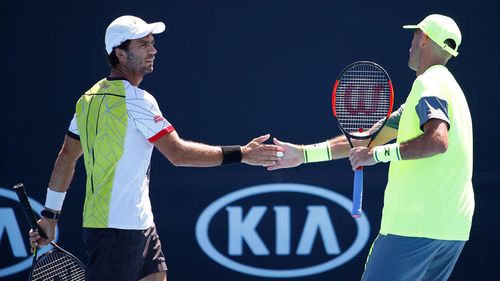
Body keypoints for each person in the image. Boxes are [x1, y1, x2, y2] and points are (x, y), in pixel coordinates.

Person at [29, 15, 284, 281]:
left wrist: (50, 215)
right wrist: (242, 154)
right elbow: (179, 154)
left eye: (152, 43)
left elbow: (66, 157)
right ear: (121, 54)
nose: (154, 50)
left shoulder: (87, 100)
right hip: (118, 232)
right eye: (143, 45)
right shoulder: (137, 100)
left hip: (138, 225)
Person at [268, 14, 474, 281]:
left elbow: (437, 141)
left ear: (424, 38)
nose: (410, 44)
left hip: (414, 225)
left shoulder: (428, 83)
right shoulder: (451, 90)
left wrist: (377, 155)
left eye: (414, 36)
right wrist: (304, 154)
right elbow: (364, 140)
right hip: (452, 230)